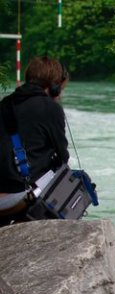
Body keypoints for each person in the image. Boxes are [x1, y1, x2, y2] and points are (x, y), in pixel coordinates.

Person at [0, 56, 70, 225]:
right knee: (72, 179)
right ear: (54, 86)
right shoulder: (51, 108)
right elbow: (63, 156)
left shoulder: (4, 104)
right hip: (21, 195)